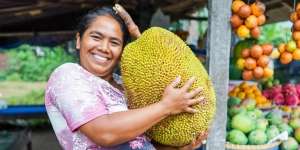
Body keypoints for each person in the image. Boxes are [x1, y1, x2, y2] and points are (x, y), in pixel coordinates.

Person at [45, 4, 207, 150]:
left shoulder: (126, 86)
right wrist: (166, 106)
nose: (104, 48)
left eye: (114, 42)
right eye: (96, 37)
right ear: (79, 40)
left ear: (122, 50)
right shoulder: (68, 76)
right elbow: (105, 134)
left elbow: (140, 143)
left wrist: (178, 148)